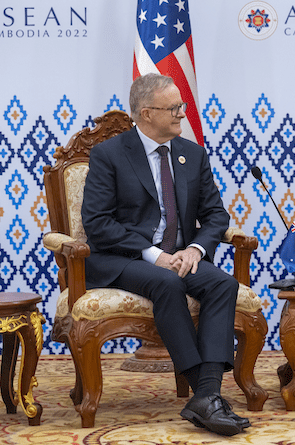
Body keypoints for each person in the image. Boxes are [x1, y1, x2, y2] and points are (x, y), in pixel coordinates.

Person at [81, 73, 247, 437]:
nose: (181, 114)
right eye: (172, 108)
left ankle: (206, 395)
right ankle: (207, 395)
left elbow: (216, 215)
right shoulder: (109, 154)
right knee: (167, 281)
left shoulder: (192, 153)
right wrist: (153, 253)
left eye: (181, 106)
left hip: (181, 256)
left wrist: (196, 248)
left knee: (223, 284)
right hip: (124, 258)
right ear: (145, 113)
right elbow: (96, 223)